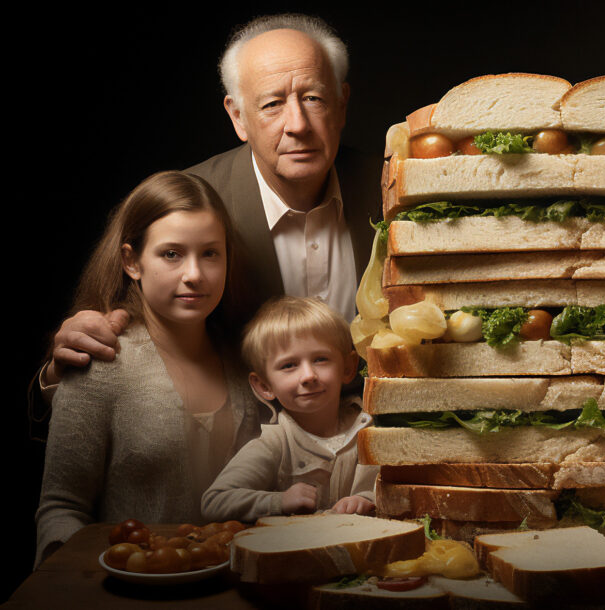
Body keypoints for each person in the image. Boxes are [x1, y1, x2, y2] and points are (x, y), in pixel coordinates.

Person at [40, 13, 381, 395]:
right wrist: (60, 372)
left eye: (313, 98)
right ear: (238, 117)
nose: (297, 124)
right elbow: (86, 359)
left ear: (342, 104)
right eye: (272, 104)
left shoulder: (394, 190)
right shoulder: (182, 206)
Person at [35, 171, 261, 566]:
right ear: (131, 261)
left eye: (210, 253)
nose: (194, 274)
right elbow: (61, 508)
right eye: (171, 254)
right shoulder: (101, 363)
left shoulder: (249, 365)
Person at [201, 296, 375, 522]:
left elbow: (401, 489)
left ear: (348, 367)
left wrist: (368, 499)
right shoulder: (275, 444)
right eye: (289, 365)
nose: (308, 376)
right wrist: (279, 501)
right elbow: (215, 501)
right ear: (264, 386)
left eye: (321, 359)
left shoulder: (371, 431)